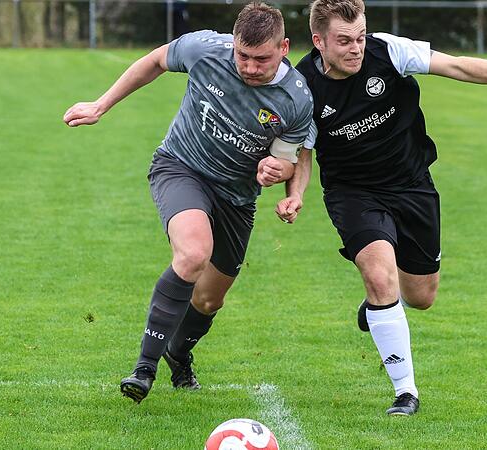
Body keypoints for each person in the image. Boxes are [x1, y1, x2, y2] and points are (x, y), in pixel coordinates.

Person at [278, 0, 487, 416]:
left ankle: (380, 309)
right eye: (344, 41)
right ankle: (405, 392)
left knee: (421, 296)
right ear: (318, 41)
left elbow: (457, 66)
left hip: (412, 185)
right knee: (379, 275)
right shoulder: (301, 88)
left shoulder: (388, 50)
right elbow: (302, 151)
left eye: (360, 37)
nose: (356, 48)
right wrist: (295, 193)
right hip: (353, 193)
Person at [63, 2, 313, 403]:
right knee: (194, 253)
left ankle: (178, 354)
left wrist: (275, 173)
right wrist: (100, 104)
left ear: (284, 47)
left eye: (260, 59)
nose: (249, 67)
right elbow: (156, 60)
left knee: (209, 298)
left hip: (236, 196)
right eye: (242, 56)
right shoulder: (206, 49)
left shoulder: (297, 99)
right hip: (181, 167)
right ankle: (144, 369)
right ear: (232, 44)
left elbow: (287, 161)